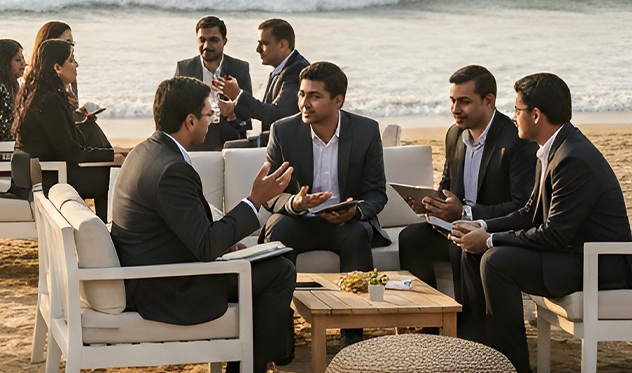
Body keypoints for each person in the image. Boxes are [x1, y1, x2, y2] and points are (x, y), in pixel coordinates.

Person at [111, 76, 296, 372]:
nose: (212, 120)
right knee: (279, 270)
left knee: (271, 259)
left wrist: (228, 240)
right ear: (190, 121)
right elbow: (207, 245)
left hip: (157, 270)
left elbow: (186, 228)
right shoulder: (171, 169)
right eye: (209, 114)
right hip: (168, 287)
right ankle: (253, 366)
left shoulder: (145, 151)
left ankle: (250, 363)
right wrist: (255, 199)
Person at [449, 73, 632, 373]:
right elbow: (529, 212)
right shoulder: (551, 148)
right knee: (477, 251)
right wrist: (482, 227)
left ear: (536, 115)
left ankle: (512, 366)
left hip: (597, 265)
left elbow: (553, 234)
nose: (513, 116)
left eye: (518, 109)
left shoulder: (574, 159)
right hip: (571, 253)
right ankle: (481, 351)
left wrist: (491, 241)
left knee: (496, 261)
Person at [258, 61, 386, 346]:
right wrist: (294, 203)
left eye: (314, 96)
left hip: (345, 223)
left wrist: (355, 211)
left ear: (337, 100)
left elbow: (377, 193)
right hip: (298, 220)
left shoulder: (365, 131)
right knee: (277, 230)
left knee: (358, 234)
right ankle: (280, 343)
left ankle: (352, 341)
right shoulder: (283, 131)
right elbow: (268, 194)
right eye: (302, 94)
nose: (304, 103)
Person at [397, 65, 536, 306]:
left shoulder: (515, 139)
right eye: (452, 101)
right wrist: (430, 203)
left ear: (488, 100)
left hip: (492, 228)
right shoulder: (454, 135)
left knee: (460, 247)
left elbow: (522, 206)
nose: (455, 109)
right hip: (456, 225)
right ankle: (429, 322)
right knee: (411, 239)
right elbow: (447, 186)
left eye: (464, 102)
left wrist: (465, 213)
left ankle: (468, 331)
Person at [14, 39, 129, 219]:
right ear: (57, 68)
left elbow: (68, 143)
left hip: (50, 168)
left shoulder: (44, 93)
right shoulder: (49, 100)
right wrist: (110, 156)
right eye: (72, 60)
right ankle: (109, 228)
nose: (76, 65)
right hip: (49, 177)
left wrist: (113, 152)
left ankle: (108, 225)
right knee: (116, 174)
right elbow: (72, 152)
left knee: (105, 146)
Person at [212, 18, 309, 146]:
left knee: (231, 148)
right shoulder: (282, 69)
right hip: (276, 143)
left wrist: (238, 95)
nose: (258, 49)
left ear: (283, 45)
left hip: (290, 148)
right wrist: (233, 107)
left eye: (264, 43)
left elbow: (277, 114)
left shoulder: (297, 71)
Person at [173, 16, 252, 150]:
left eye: (213, 40)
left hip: (230, 145)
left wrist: (232, 110)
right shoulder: (185, 69)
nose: (206, 46)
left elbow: (247, 117)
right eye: (202, 40)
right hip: (195, 146)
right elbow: (174, 112)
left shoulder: (239, 68)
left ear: (224, 41)